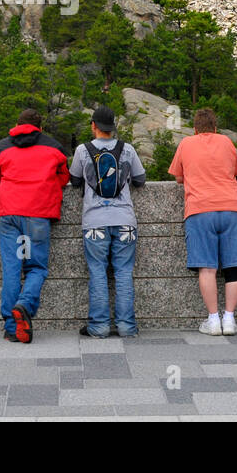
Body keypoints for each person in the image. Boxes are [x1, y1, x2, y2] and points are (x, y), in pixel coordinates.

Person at [168, 108, 237, 336]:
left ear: (195, 129)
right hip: (232, 207)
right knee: (234, 267)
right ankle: (230, 319)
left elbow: (178, 177)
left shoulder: (186, 143)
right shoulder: (226, 142)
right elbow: (236, 172)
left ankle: (213, 320)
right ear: (215, 128)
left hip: (200, 209)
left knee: (207, 267)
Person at [0, 109, 69, 343]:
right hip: (37, 215)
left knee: (12, 269)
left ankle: (12, 328)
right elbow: (64, 179)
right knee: (36, 268)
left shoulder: (2, 147)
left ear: (16, 125)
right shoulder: (54, 148)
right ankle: (24, 304)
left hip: (9, 215)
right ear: (40, 128)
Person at [68, 104, 146, 339]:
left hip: (94, 222)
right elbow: (140, 180)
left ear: (94, 126)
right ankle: (126, 327)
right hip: (125, 221)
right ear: (113, 128)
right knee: (123, 272)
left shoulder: (83, 150)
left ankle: (99, 326)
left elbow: (74, 180)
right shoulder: (128, 149)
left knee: (98, 272)